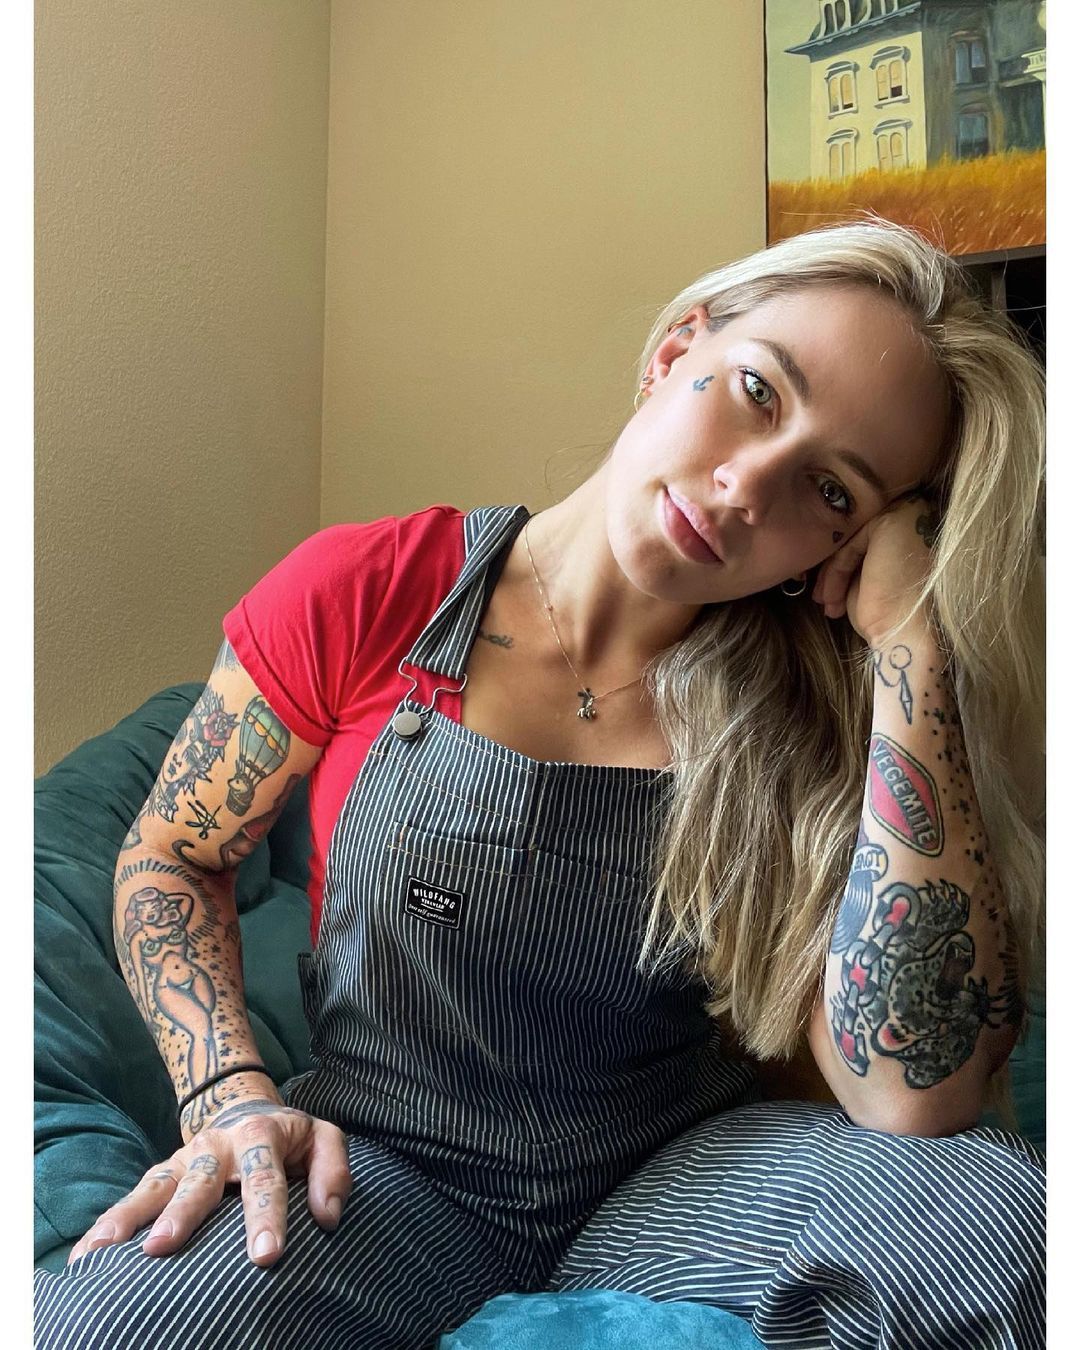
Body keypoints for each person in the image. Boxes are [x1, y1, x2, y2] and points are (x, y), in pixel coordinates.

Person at [34, 217, 1045, 1349]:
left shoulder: (825, 712)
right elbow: (173, 854)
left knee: (998, 1222)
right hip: (383, 1171)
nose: (746, 487)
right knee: (108, 1324)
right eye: (758, 391)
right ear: (675, 350)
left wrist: (913, 646)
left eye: (833, 491)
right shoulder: (371, 588)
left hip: (680, 1180)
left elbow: (912, 1099)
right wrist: (230, 1095)